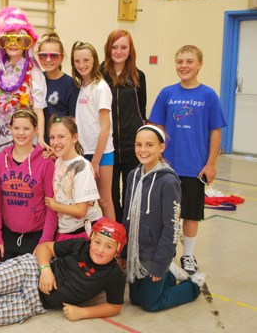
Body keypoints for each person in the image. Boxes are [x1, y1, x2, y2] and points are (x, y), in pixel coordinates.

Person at [148, 45, 226, 275]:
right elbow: (156, 126)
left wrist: (211, 163)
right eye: (180, 61)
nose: (184, 66)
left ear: (200, 64)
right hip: (168, 167)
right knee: (166, 214)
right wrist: (157, 156)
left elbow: (215, 131)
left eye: (189, 61)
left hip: (194, 168)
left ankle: (188, 255)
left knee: (191, 213)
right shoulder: (167, 93)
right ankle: (166, 252)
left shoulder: (208, 95)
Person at [120, 125, 205, 312]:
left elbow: (172, 227)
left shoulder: (169, 181)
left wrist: (160, 264)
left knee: (151, 304)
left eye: (149, 145)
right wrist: (125, 253)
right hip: (137, 252)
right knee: (136, 300)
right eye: (139, 144)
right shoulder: (133, 175)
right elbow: (126, 217)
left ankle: (192, 285)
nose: (143, 150)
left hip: (155, 253)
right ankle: (168, 277)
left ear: (161, 148)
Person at [0, 108, 57, 263]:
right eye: (16, 128)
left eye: (26, 128)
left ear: (35, 130)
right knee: (0, 283)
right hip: (7, 234)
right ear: (10, 129)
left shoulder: (46, 162)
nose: (21, 133)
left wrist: (44, 243)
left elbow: (51, 206)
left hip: (36, 235)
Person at [0, 6, 48, 154]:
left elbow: (38, 110)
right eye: (8, 39)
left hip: (24, 134)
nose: (13, 44)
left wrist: (40, 137)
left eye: (19, 39)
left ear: (27, 43)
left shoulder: (34, 73)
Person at [101, 30, 147, 222]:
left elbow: (141, 111)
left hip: (131, 146)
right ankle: (113, 234)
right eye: (114, 47)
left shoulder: (139, 76)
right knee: (110, 197)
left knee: (131, 194)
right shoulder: (99, 74)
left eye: (123, 47)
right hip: (107, 147)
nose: (119, 51)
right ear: (108, 49)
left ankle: (129, 235)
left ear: (130, 50)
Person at [71, 41, 115, 220]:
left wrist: (96, 160)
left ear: (95, 60)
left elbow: (105, 127)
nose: (82, 65)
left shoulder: (101, 88)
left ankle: (114, 242)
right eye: (77, 61)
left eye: (86, 60)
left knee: (104, 200)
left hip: (101, 154)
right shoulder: (83, 86)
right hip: (84, 152)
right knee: (87, 202)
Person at [44, 116, 100, 241]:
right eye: (52, 137)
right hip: (64, 229)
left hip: (82, 232)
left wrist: (55, 206)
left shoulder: (82, 167)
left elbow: (81, 211)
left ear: (74, 138)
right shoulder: (58, 161)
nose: (55, 142)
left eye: (61, 137)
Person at [37, 33, 78, 145]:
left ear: (61, 58)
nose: (48, 59)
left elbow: (73, 120)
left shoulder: (70, 84)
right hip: (37, 142)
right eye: (43, 55)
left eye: (54, 55)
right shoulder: (36, 79)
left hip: (59, 144)